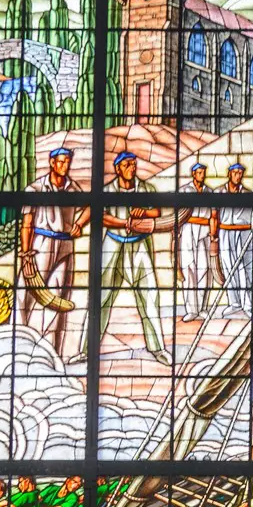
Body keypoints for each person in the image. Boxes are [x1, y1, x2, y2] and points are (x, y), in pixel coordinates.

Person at [19, 146, 87, 360]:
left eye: (67, 161)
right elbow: (27, 222)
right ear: (52, 163)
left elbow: (91, 205)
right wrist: (26, 254)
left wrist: (79, 223)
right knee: (26, 293)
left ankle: (48, 354)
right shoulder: (36, 189)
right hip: (41, 244)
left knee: (56, 297)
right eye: (61, 161)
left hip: (65, 245)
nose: (65, 165)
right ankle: (18, 343)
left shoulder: (73, 189)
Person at [100, 150, 168, 361]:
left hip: (139, 245)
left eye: (133, 164)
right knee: (100, 297)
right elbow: (102, 217)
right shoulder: (107, 190)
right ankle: (87, 350)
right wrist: (125, 223)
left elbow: (157, 211)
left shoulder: (146, 188)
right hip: (112, 244)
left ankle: (158, 348)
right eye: (127, 165)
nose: (132, 168)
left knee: (149, 295)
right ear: (117, 168)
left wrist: (144, 212)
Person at [176, 161, 221, 322]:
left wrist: (213, 232)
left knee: (204, 269)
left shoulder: (210, 192)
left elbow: (214, 214)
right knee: (189, 268)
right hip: (188, 231)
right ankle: (191, 310)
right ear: (194, 174)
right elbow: (179, 215)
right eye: (199, 172)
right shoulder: (184, 191)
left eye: (204, 172)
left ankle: (202, 308)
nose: (202, 175)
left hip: (204, 232)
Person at [216, 161, 253, 318]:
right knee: (228, 267)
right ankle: (235, 303)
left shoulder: (248, 194)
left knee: (245, 268)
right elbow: (214, 214)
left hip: (244, 233)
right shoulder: (219, 193)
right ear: (229, 174)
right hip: (225, 232)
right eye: (235, 173)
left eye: (240, 173)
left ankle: (248, 305)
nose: (238, 176)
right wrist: (214, 237)